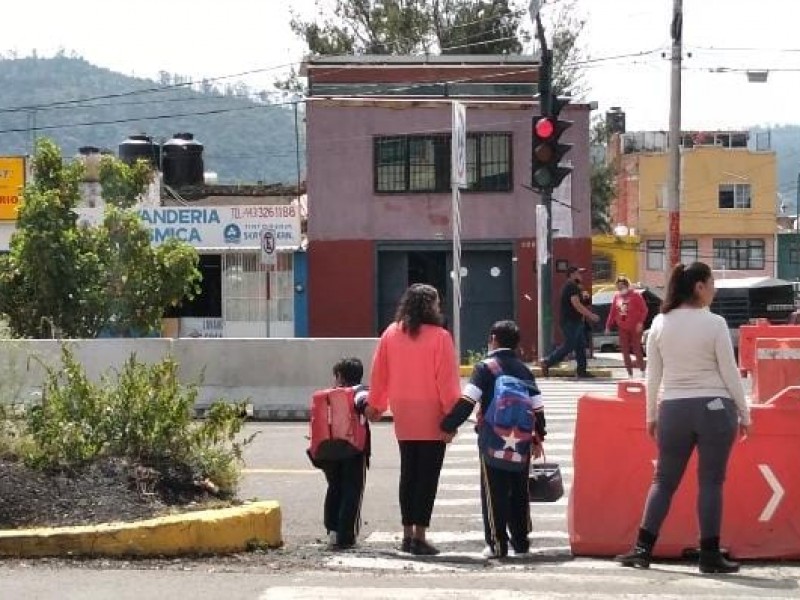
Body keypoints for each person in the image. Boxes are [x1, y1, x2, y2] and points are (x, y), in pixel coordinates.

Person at [616, 262, 751, 574]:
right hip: (715, 408)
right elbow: (730, 373)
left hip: (674, 409)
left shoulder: (660, 323)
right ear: (699, 287)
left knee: (663, 481)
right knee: (711, 483)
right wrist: (745, 412)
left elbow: (653, 376)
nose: (714, 289)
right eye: (712, 283)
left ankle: (642, 549)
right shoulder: (715, 323)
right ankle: (709, 555)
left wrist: (651, 414)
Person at [366, 283, 462, 556]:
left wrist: (376, 405)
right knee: (427, 477)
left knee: (408, 474)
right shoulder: (440, 337)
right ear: (430, 306)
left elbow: (379, 374)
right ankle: (420, 535)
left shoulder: (390, 333)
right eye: (437, 304)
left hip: (404, 414)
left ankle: (407, 534)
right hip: (432, 413)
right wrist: (451, 418)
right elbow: (446, 381)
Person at [440, 320, 547, 559]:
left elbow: (468, 400)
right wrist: (538, 437)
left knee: (493, 490)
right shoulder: (523, 369)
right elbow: (537, 408)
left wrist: (448, 426)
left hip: (492, 439)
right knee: (519, 490)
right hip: (520, 439)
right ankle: (521, 541)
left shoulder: (485, 367)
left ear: (493, 339)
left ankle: (498, 544)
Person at [318, 358, 370, 550]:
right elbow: (363, 402)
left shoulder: (330, 394)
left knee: (334, 488)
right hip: (354, 450)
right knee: (352, 490)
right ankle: (346, 534)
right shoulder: (359, 390)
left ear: (340, 376)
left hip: (329, 451)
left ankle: (332, 530)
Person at [539, 266, 600, 378]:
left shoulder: (577, 287)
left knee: (580, 346)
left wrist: (586, 297)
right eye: (578, 273)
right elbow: (576, 304)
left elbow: (583, 303)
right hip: (570, 321)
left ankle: (582, 371)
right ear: (571, 275)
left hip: (577, 321)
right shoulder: (571, 286)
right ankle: (547, 362)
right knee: (569, 345)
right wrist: (590, 315)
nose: (581, 275)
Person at [605, 275, 648, 378]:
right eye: (618, 286)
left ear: (627, 285)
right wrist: (608, 326)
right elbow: (613, 312)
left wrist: (640, 322)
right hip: (622, 327)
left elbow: (644, 310)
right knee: (624, 351)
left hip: (635, 327)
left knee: (636, 349)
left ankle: (642, 371)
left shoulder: (636, 295)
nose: (620, 288)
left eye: (622, 286)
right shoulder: (617, 297)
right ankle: (630, 374)